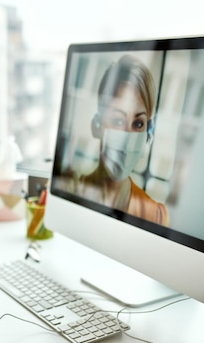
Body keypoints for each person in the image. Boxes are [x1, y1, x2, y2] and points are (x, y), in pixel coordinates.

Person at [62, 54, 169, 226]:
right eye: (118, 120)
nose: (127, 137)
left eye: (138, 123)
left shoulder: (155, 215)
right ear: (97, 126)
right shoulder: (71, 192)